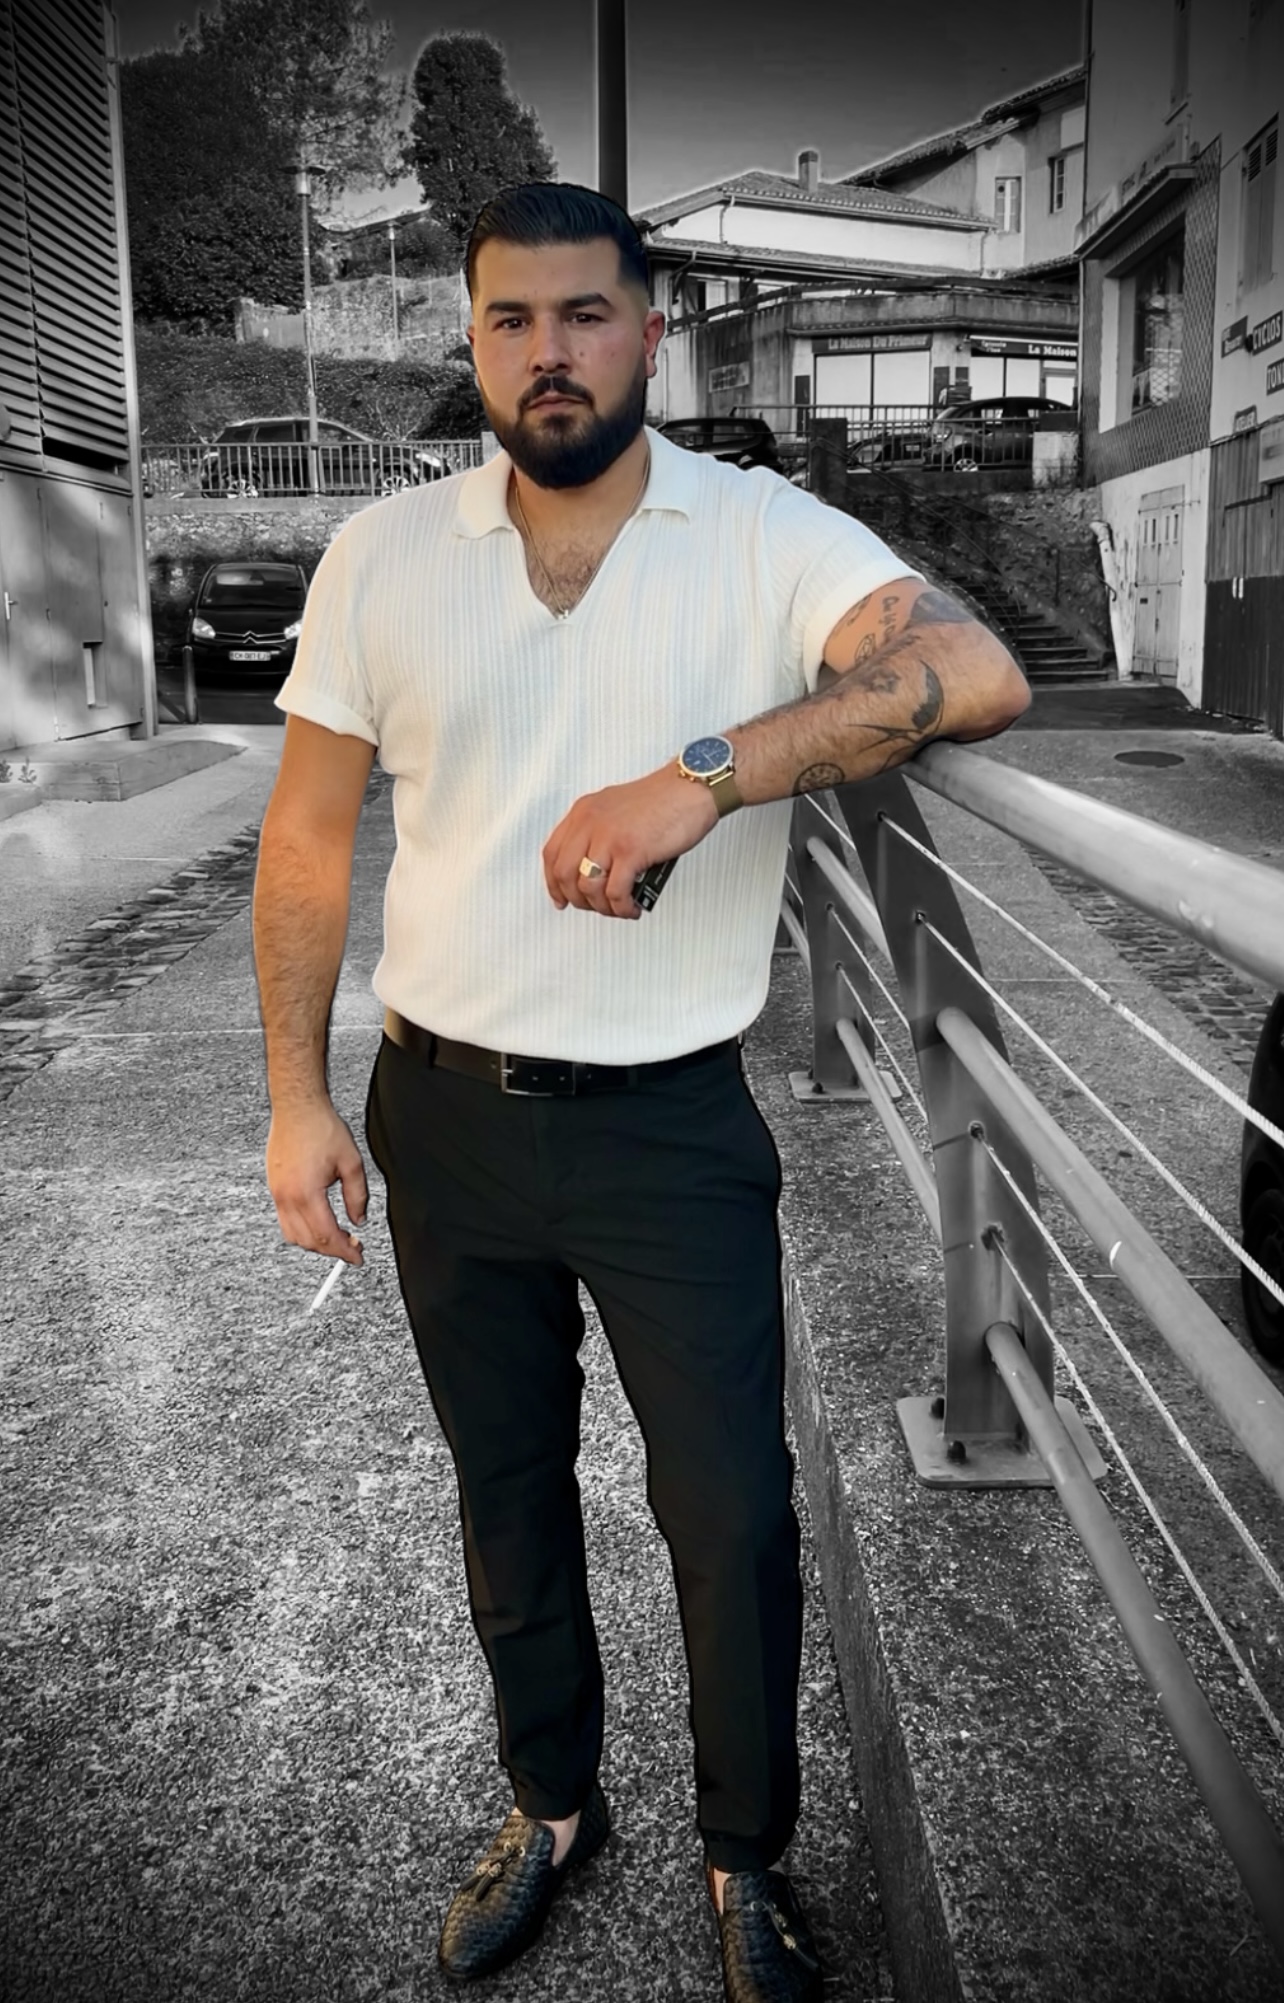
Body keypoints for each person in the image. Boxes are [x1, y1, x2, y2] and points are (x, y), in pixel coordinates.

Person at [253, 182, 1029, 2002]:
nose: (551, 353)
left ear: (651, 333)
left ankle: (744, 1856)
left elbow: (972, 669)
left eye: (587, 315)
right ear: (472, 341)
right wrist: (298, 1096)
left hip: (671, 1125)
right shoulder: (382, 554)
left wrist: (707, 772)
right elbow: (305, 842)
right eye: (511, 320)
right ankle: (549, 1807)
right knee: (506, 1490)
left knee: (733, 1514)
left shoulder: (759, 534)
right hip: (444, 1110)